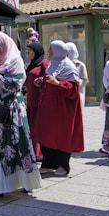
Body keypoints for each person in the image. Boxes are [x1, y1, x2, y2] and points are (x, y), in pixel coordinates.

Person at [0, 31, 41, 199]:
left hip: (12, 111)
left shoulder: (15, 61)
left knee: (17, 145)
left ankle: (27, 182)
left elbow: (15, 85)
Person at [35, 40, 84, 176]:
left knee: (62, 135)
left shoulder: (69, 66)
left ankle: (63, 165)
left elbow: (74, 89)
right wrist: (41, 81)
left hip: (62, 109)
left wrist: (58, 83)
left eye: (50, 49)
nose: (48, 51)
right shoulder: (53, 64)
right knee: (47, 133)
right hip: (50, 107)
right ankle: (49, 163)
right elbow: (49, 79)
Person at [25, 41, 49, 161]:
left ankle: (39, 153)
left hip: (39, 102)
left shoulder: (44, 64)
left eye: (30, 51)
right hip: (30, 102)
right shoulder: (32, 65)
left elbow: (48, 80)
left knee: (37, 128)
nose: (28, 53)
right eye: (27, 51)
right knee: (31, 127)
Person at [66, 42, 89, 110]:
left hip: (77, 92)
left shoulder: (80, 65)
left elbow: (85, 80)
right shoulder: (62, 64)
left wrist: (76, 84)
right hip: (66, 92)